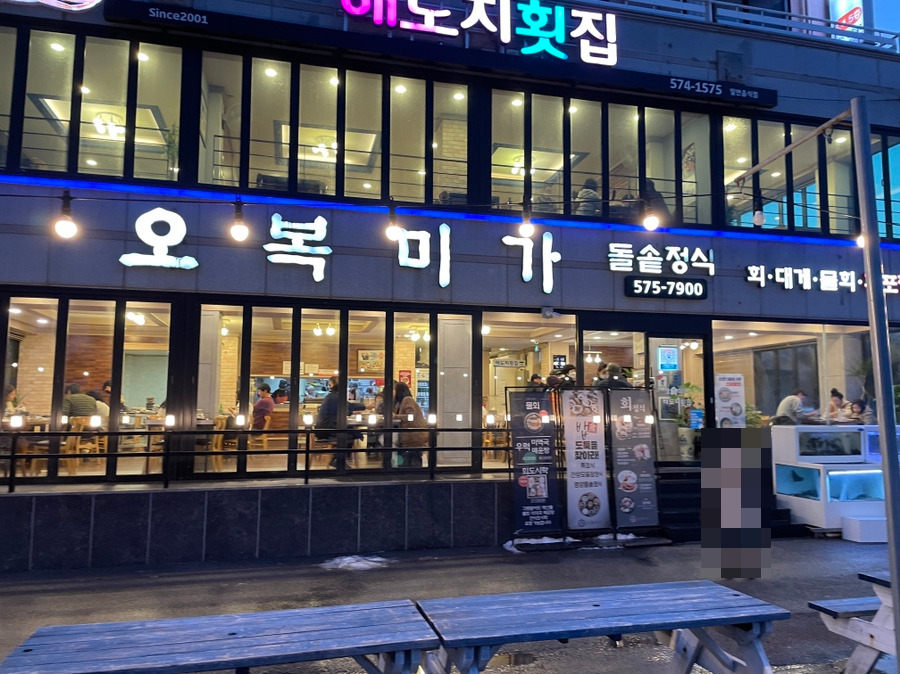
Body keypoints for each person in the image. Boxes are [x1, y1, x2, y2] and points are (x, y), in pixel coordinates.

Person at [394, 380, 427, 467]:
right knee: (411, 459)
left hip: (412, 435)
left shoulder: (407, 400)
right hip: (410, 435)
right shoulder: (400, 402)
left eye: (394, 390)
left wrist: (395, 416)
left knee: (412, 460)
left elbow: (410, 416)